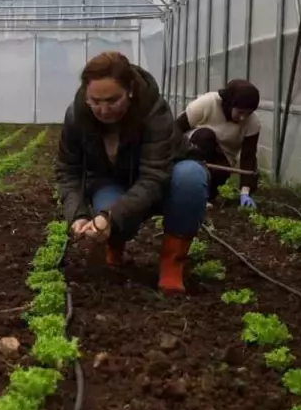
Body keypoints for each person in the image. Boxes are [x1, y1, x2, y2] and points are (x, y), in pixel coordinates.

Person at [55, 51, 209, 295]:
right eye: (95, 101)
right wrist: (77, 215)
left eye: (112, 100)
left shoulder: (154, 113)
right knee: (111, 216)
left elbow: (154, 176)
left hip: (165, 182)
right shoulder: (77, 116)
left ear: (130, 90)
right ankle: (114, 245)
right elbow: (68, 170)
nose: (104, 110)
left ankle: (172, 263)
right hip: (112, 181)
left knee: (190, 176)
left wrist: (111, 216)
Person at [177, 79, 261, 209]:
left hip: (221, 160)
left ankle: (206, 195)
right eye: (240, 112)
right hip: (193, 153)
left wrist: (245, 192)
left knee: (221, 172)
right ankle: (189, 187)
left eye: (248, 113)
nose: (243, 118)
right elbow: (175, 130)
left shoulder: (253, 123)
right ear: (229, 103)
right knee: (205, 136)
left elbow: (248, 156)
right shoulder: (206, 104)